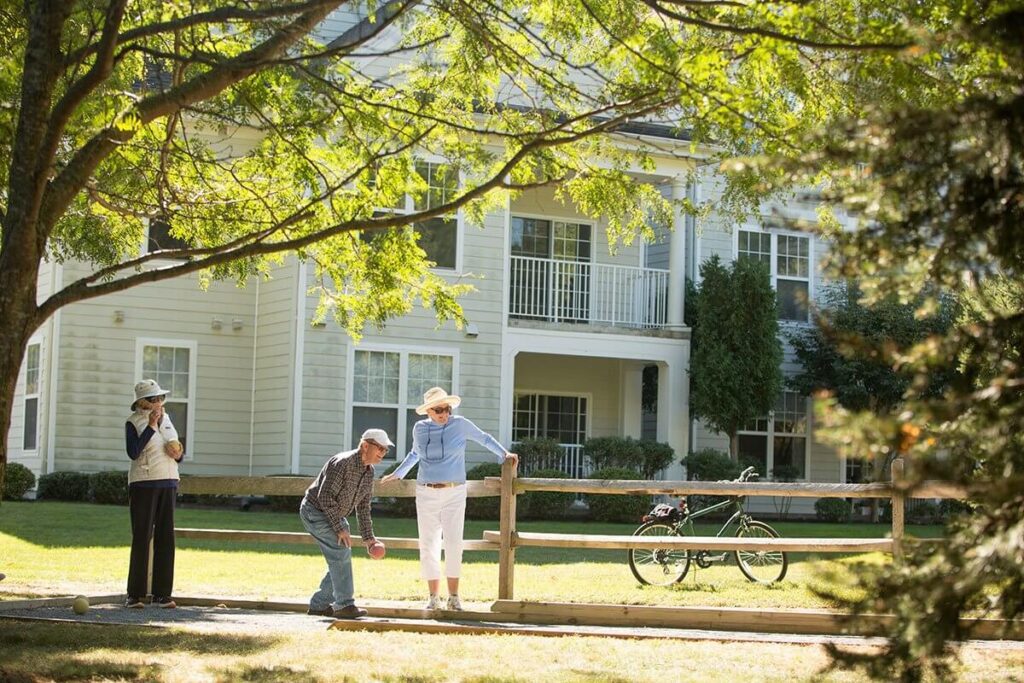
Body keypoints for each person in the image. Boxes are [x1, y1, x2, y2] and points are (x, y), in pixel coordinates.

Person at [381, 387, 518, 611]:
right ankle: (433, 598)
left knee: (454, 543)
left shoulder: (460, 424)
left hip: (454, 492)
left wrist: (505, 454)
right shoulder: (420, 429)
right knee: (428, 544)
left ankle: (453, 597)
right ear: (429, 411)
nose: (444, 413)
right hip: (425, 492)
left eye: (447, 408)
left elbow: (484, 439)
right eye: (438, 409)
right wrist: (398, 474)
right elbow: (414, 454)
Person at [301, 428, 393, 619]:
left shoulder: (369, 472)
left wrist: (369, 539)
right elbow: (324, 497)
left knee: (339, 558)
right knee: (340, 554)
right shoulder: (343, 463)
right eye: (380, 448)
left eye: (385, 450)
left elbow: (363, 507)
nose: (382, 454)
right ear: (365, 445)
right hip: (315, 512)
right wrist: (340, 527)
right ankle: (344, 605)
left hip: (333, 513)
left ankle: (319, 605)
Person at [124, 379, 185, 609]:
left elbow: (176, 452)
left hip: (168, 482)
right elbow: (133, 451)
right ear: (141, 402)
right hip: (143, 484)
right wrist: (150, 426)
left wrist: (178, 453)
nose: (158, 402)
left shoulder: (167, 419)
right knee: (141, 537)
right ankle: (135, 594)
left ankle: (162, 595)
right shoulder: (133, 422)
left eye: (161, 398)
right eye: (153, 399)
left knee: (166, 537)